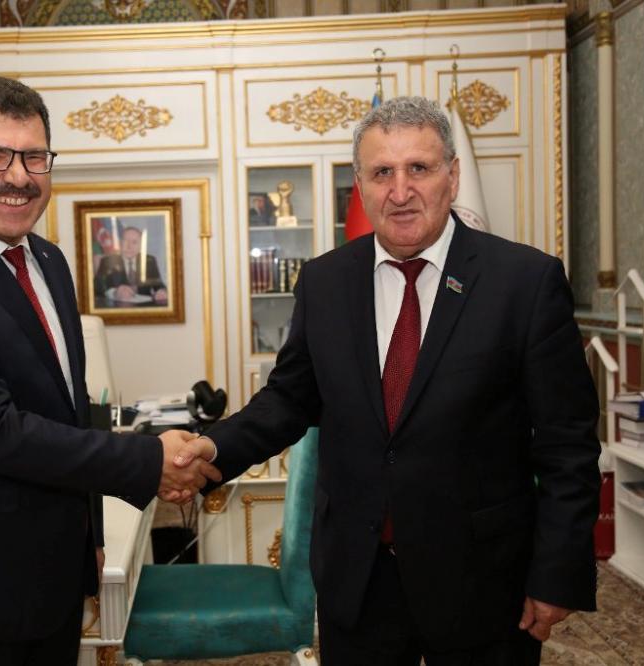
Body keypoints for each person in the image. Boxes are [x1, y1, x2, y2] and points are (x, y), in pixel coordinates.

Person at [175, 96, 600, 665]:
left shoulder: (525, 282)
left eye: (418, 168)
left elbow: (568, 445)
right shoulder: (325, 282)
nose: (400, 191)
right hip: (358, 581)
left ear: (452, 176)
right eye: (382, 173)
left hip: (483, 582)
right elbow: (289, 399)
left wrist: (556, 574)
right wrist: (211, 447)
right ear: (360, 186)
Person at [0, 76, 217, 665]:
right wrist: (146, 460)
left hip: (51, 582)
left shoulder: (47, 260)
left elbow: (68, 410)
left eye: (34, 157)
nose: (19, 176)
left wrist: (89, 537)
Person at [93, 226, 167, 305]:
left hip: (144, 307)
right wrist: (115, 293)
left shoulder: (149, 260)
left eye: (134, 242)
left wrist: (162, 291)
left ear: (141, 245)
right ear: (120, 243)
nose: (129, 246)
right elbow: (97, 288)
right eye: (126, 241)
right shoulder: (108, 261)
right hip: (117, 307)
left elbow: (158, 285)